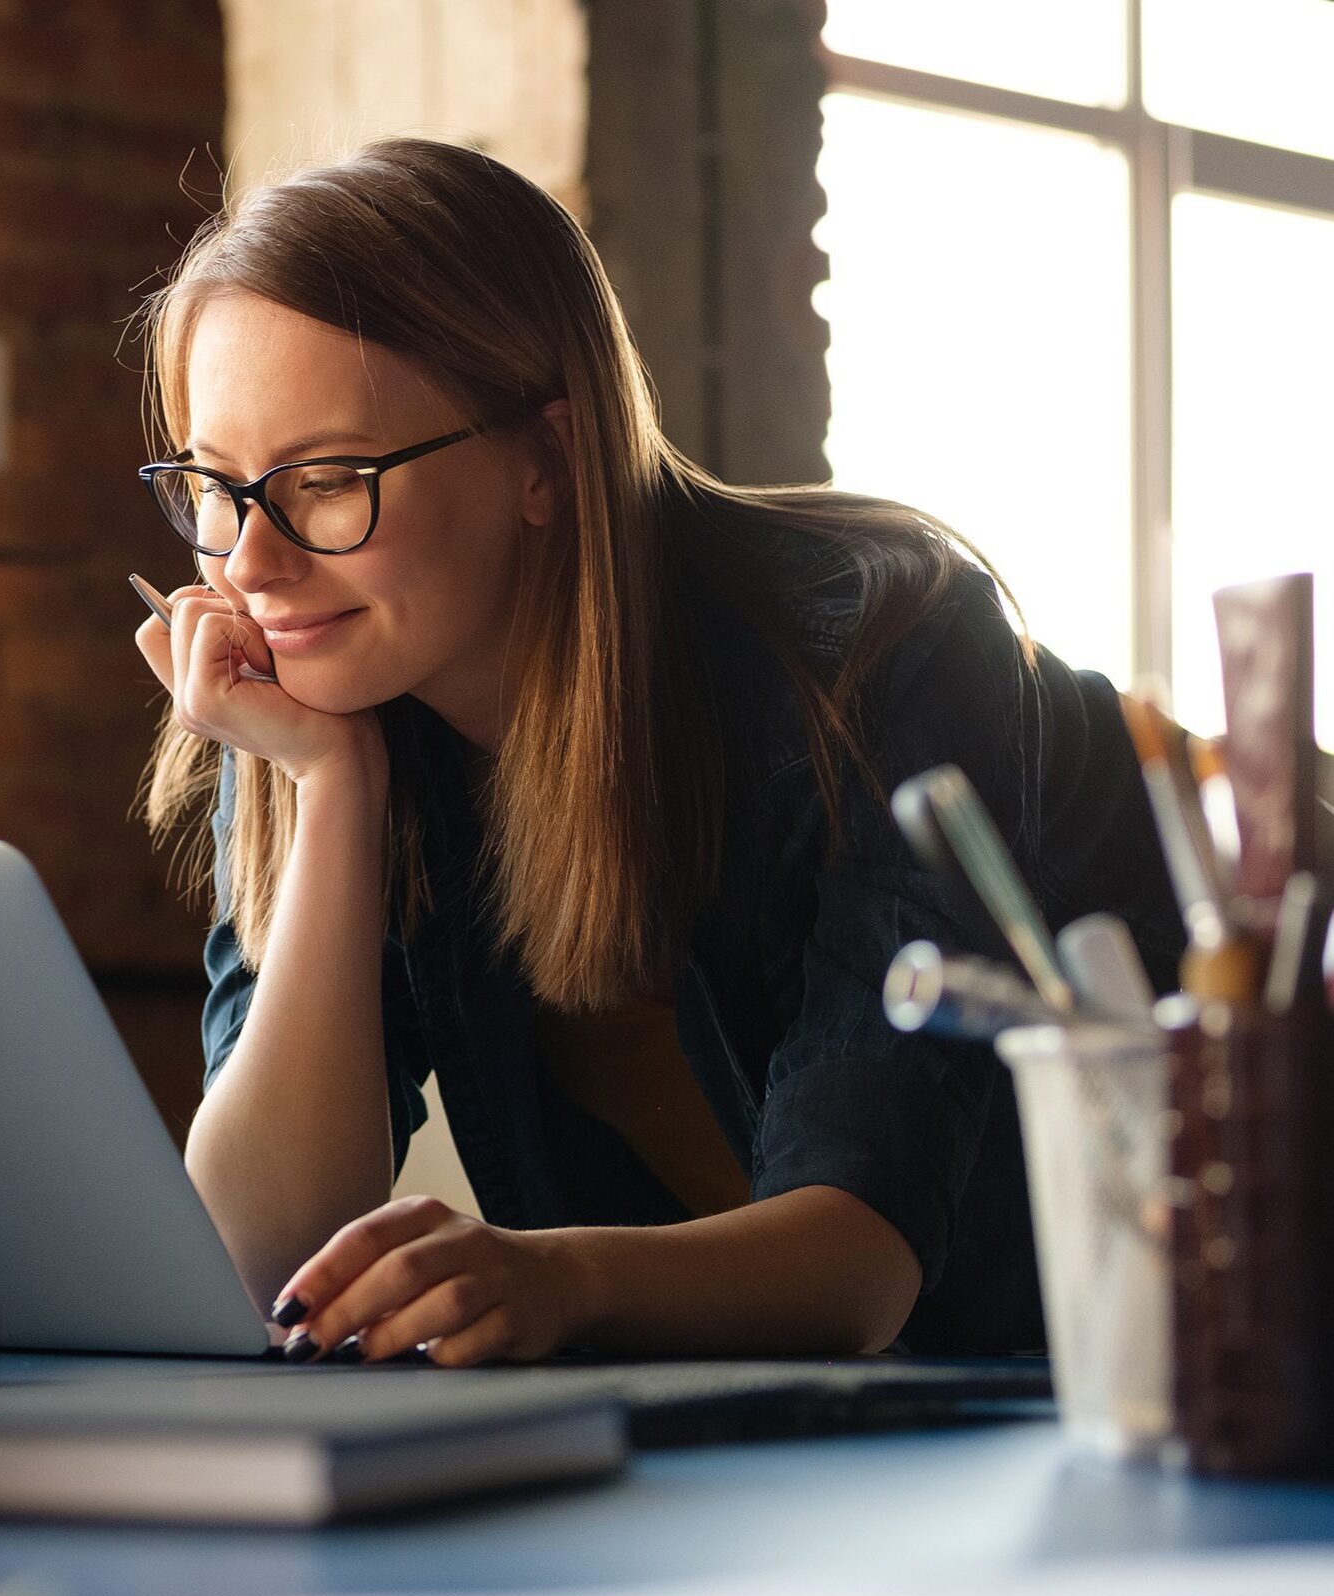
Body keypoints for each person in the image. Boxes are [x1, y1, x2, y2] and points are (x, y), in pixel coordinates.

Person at [129, 137, 1180, 1367]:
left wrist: (557, 1278)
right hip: (793, 1452)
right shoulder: (314, 691)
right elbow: (264, 1247)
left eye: (326, 478)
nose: (249, 565)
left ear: (547, 458)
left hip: (1164, 1362)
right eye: (213, 485)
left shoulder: (879, 647)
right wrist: (333, 787)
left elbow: (862, 1264)